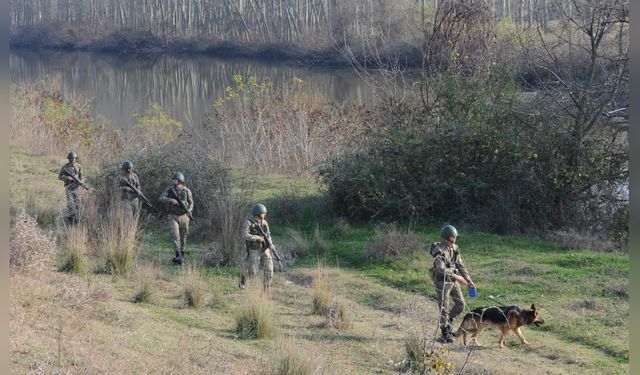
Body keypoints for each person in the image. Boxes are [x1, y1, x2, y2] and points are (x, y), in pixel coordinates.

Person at [430, 224, 476, 343]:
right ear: (447, 237)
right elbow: (440, 269)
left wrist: (468, 280)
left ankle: (448, 321)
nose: (455, 238)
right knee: (444, 307)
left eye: (455, 236)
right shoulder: (439, 250)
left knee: (460, 304)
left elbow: (460, 265)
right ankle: (445, 333)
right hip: (442, 282)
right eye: (453, 236)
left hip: (453, 281)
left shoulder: (455, 248)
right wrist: (458, 277)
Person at [158, 172, 193, 265]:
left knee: (183, 236)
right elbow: (161, 198)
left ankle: (182, 255)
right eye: (173, 179)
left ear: (180, 180)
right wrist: (170, 200)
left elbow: (191, 203)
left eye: (175, 179)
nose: (173, 180)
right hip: (172, 216)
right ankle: (178, 255)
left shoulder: (186, 191)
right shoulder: (170, 190)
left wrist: (189, 210)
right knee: (175, 236)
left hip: (184, 216)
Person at [239, 203, 275, 293]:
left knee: (269, 267)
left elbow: (268, 235)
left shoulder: (264, 223)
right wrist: (257, 237)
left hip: (264, 249)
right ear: (258, 213)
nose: (265, 214)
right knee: (252, 271)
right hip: (254, 250)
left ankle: (266, 289)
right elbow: (244, 235)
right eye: (264, 213)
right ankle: (243, 281)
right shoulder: (248, 223)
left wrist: (270, 244)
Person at [57, 151, 84, 224]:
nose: (73, 159)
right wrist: (67, 177)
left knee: (78, 204)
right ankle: (71, 220)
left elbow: (82, 177)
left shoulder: (79, 166)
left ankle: (78, 220)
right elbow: (59, 177)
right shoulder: (65, 167)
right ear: (69, 159)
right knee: (71, 204)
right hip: (68, 187)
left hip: (76, 188)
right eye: (71, 158)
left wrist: (81, 182)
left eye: (74, 158)